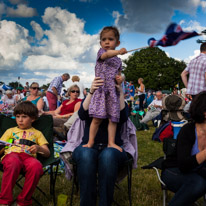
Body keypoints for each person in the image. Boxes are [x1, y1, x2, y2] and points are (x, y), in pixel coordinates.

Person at [72, 75, 130, 206]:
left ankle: (105, 203)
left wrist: (119, 91)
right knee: (86, 155)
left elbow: (123, 117)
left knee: (108, 156)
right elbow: (82, 114)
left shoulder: (120, 102)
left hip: (113, 147)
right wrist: (92, 92)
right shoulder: (93, 99)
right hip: (88, 145)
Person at [85, 26, 127, 152]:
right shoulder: (101, 52)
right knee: (97, 119)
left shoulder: (118, 61)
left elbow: (119, 75)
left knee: (112, 120)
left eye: (110, 39)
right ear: (100, 43)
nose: (107, 42)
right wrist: (118, 51)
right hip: (101, 91)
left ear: (117, 42)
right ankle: (90, 141)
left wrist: (120, 79)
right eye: (104, 40)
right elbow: (107, 55)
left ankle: (111, 143)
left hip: (112, 93)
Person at [0, 101, 50, 206]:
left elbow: (47, 153)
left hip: (28, 157)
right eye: (17, 117)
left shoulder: (37, 133)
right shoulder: (10, 131)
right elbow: (1, 146)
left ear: (33, 118)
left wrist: (38, 148)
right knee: (13, 162)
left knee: (36, 166)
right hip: (12, 155)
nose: (20, 120)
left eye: (24, 117)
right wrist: (3, 147)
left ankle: (23, 201)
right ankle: (4, 201)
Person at [161, 91, 206, 206]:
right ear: (204, 113)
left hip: (198, 172)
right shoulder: (188, 130)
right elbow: (184, 165)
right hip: (174, 170)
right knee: (198, 184)